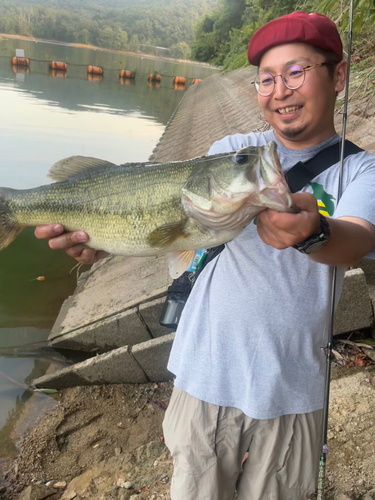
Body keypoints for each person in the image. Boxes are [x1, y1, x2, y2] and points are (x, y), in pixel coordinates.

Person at [35, 11, 375, 500]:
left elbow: (357, 237)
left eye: (297, 72)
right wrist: (97, 247)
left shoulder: (359, 171)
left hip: (292, 392)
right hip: (204, 377)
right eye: (267, 78)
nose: (280, 90)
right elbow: (169, 228)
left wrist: (313, 233)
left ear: (337, 75)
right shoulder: (236, 149)